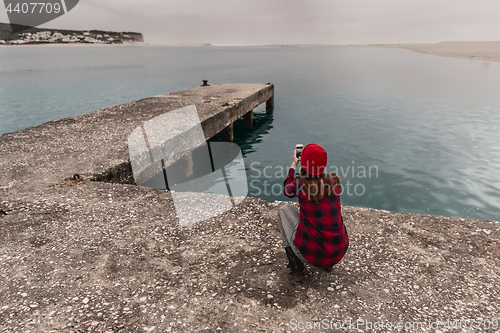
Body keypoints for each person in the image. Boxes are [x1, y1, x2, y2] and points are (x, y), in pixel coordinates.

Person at [276, 143, 349, 282]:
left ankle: (296, 268)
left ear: (303, 161)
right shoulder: (335, 181)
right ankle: (328, 265)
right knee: (332, 216)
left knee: (283, 210)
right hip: (337, 253)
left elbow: (287, 190)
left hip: (311, 256)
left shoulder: (300, 183)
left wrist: (293, 165)